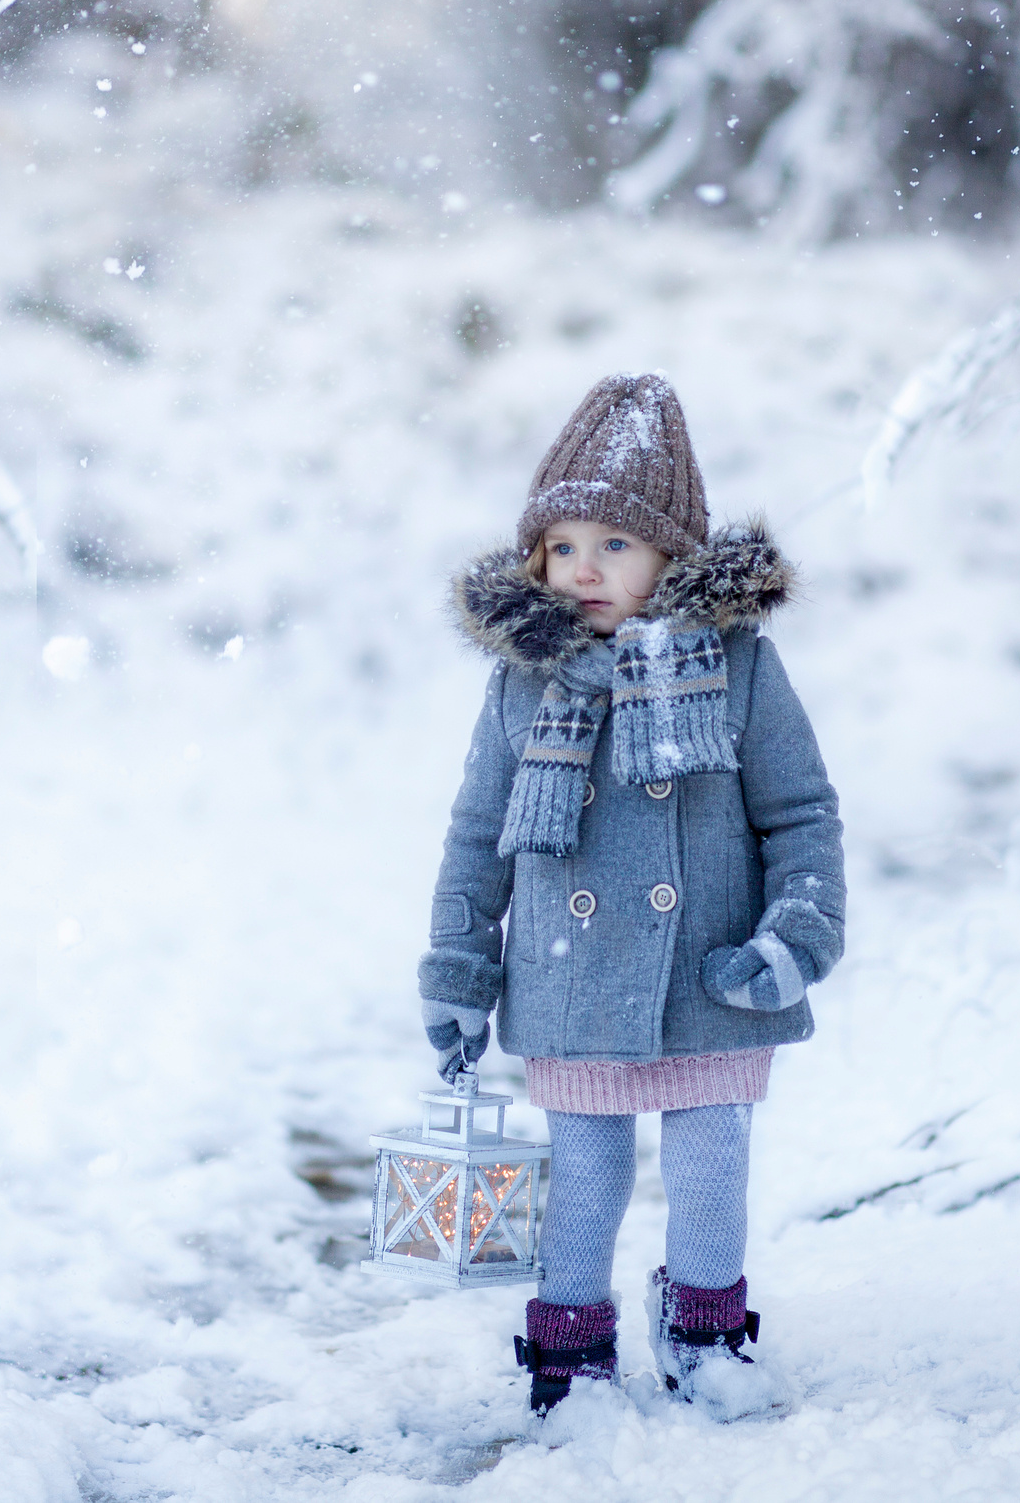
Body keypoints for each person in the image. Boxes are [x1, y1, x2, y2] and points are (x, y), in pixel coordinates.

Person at [419, 372, 847, 1420]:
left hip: (714, 975)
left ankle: (706, 1334)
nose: (582, 570)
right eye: (562, 545)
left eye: (613, 544)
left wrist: (793, 934)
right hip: (572, 985)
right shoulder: (523, 682)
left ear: (671, 556)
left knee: (707, 1171)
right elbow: (478, 839)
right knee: (589, 1172)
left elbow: (800, 816)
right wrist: (459, 970)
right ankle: (568, 1349)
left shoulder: (740, 669)